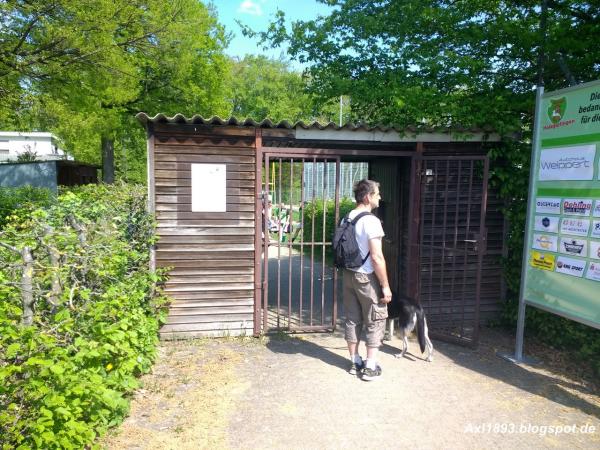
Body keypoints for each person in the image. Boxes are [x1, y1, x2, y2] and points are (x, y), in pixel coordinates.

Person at [343, 179, 392, 381]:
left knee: (353, 319)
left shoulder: (347, 217)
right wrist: (385, 286)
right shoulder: (371, 220)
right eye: (377, 193)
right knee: (376, 318)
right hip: (365, 276)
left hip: (348, 274)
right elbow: (377, 257)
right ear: (367, 197)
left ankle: (355, 361)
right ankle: (370, 367)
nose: (380, 197)